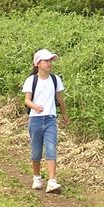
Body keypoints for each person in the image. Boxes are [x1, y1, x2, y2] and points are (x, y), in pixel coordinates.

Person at [21, 48, 69, 193]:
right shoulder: (31, 80)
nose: (50, 63)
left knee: (50, 147)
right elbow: (27, 101)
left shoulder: (55, 79)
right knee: (36, 150)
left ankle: (52, 181)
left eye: (51, 61)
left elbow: (60, 99)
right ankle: (36, 177)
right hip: (35, 119)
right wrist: (35, 106)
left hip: (50, 119)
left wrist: (65, 114)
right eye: (46, 61)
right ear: (38, 64)